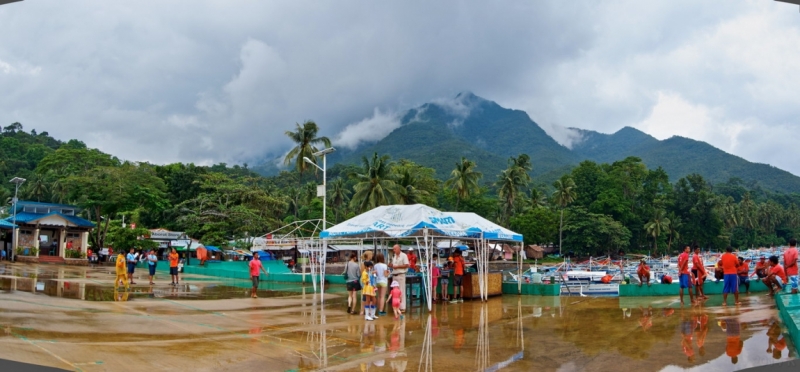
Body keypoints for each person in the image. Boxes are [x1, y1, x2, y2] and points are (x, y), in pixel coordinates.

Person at [388, 244, 409, 312]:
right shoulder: (394, 256)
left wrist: (397, 266)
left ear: (399, 248)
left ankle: (402, 307)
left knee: (401, 291)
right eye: (393, 249)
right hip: (394, 275)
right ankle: (397, 306)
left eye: (395, 249)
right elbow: (394, 265)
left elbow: (406, 265)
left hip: (401, 274)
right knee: (395, 291)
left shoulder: (404, 255)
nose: (394, 250)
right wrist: (391, 265)